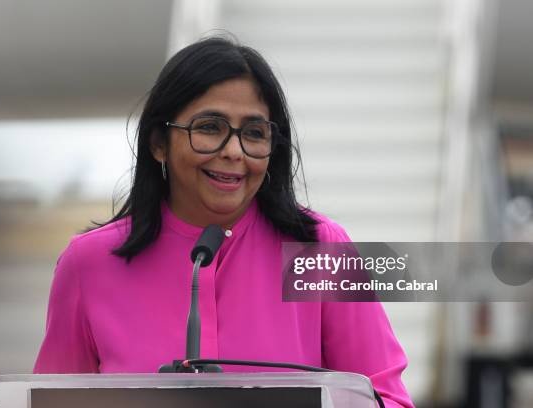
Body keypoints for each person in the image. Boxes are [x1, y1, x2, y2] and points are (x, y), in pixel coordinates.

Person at [33, 36, 414, 408]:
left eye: (253, 133)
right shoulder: (89, 263)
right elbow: (51, 401)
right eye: (210, 127)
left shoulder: (321, 250)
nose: (234, 152)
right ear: (158, 142)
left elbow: (389, 399)